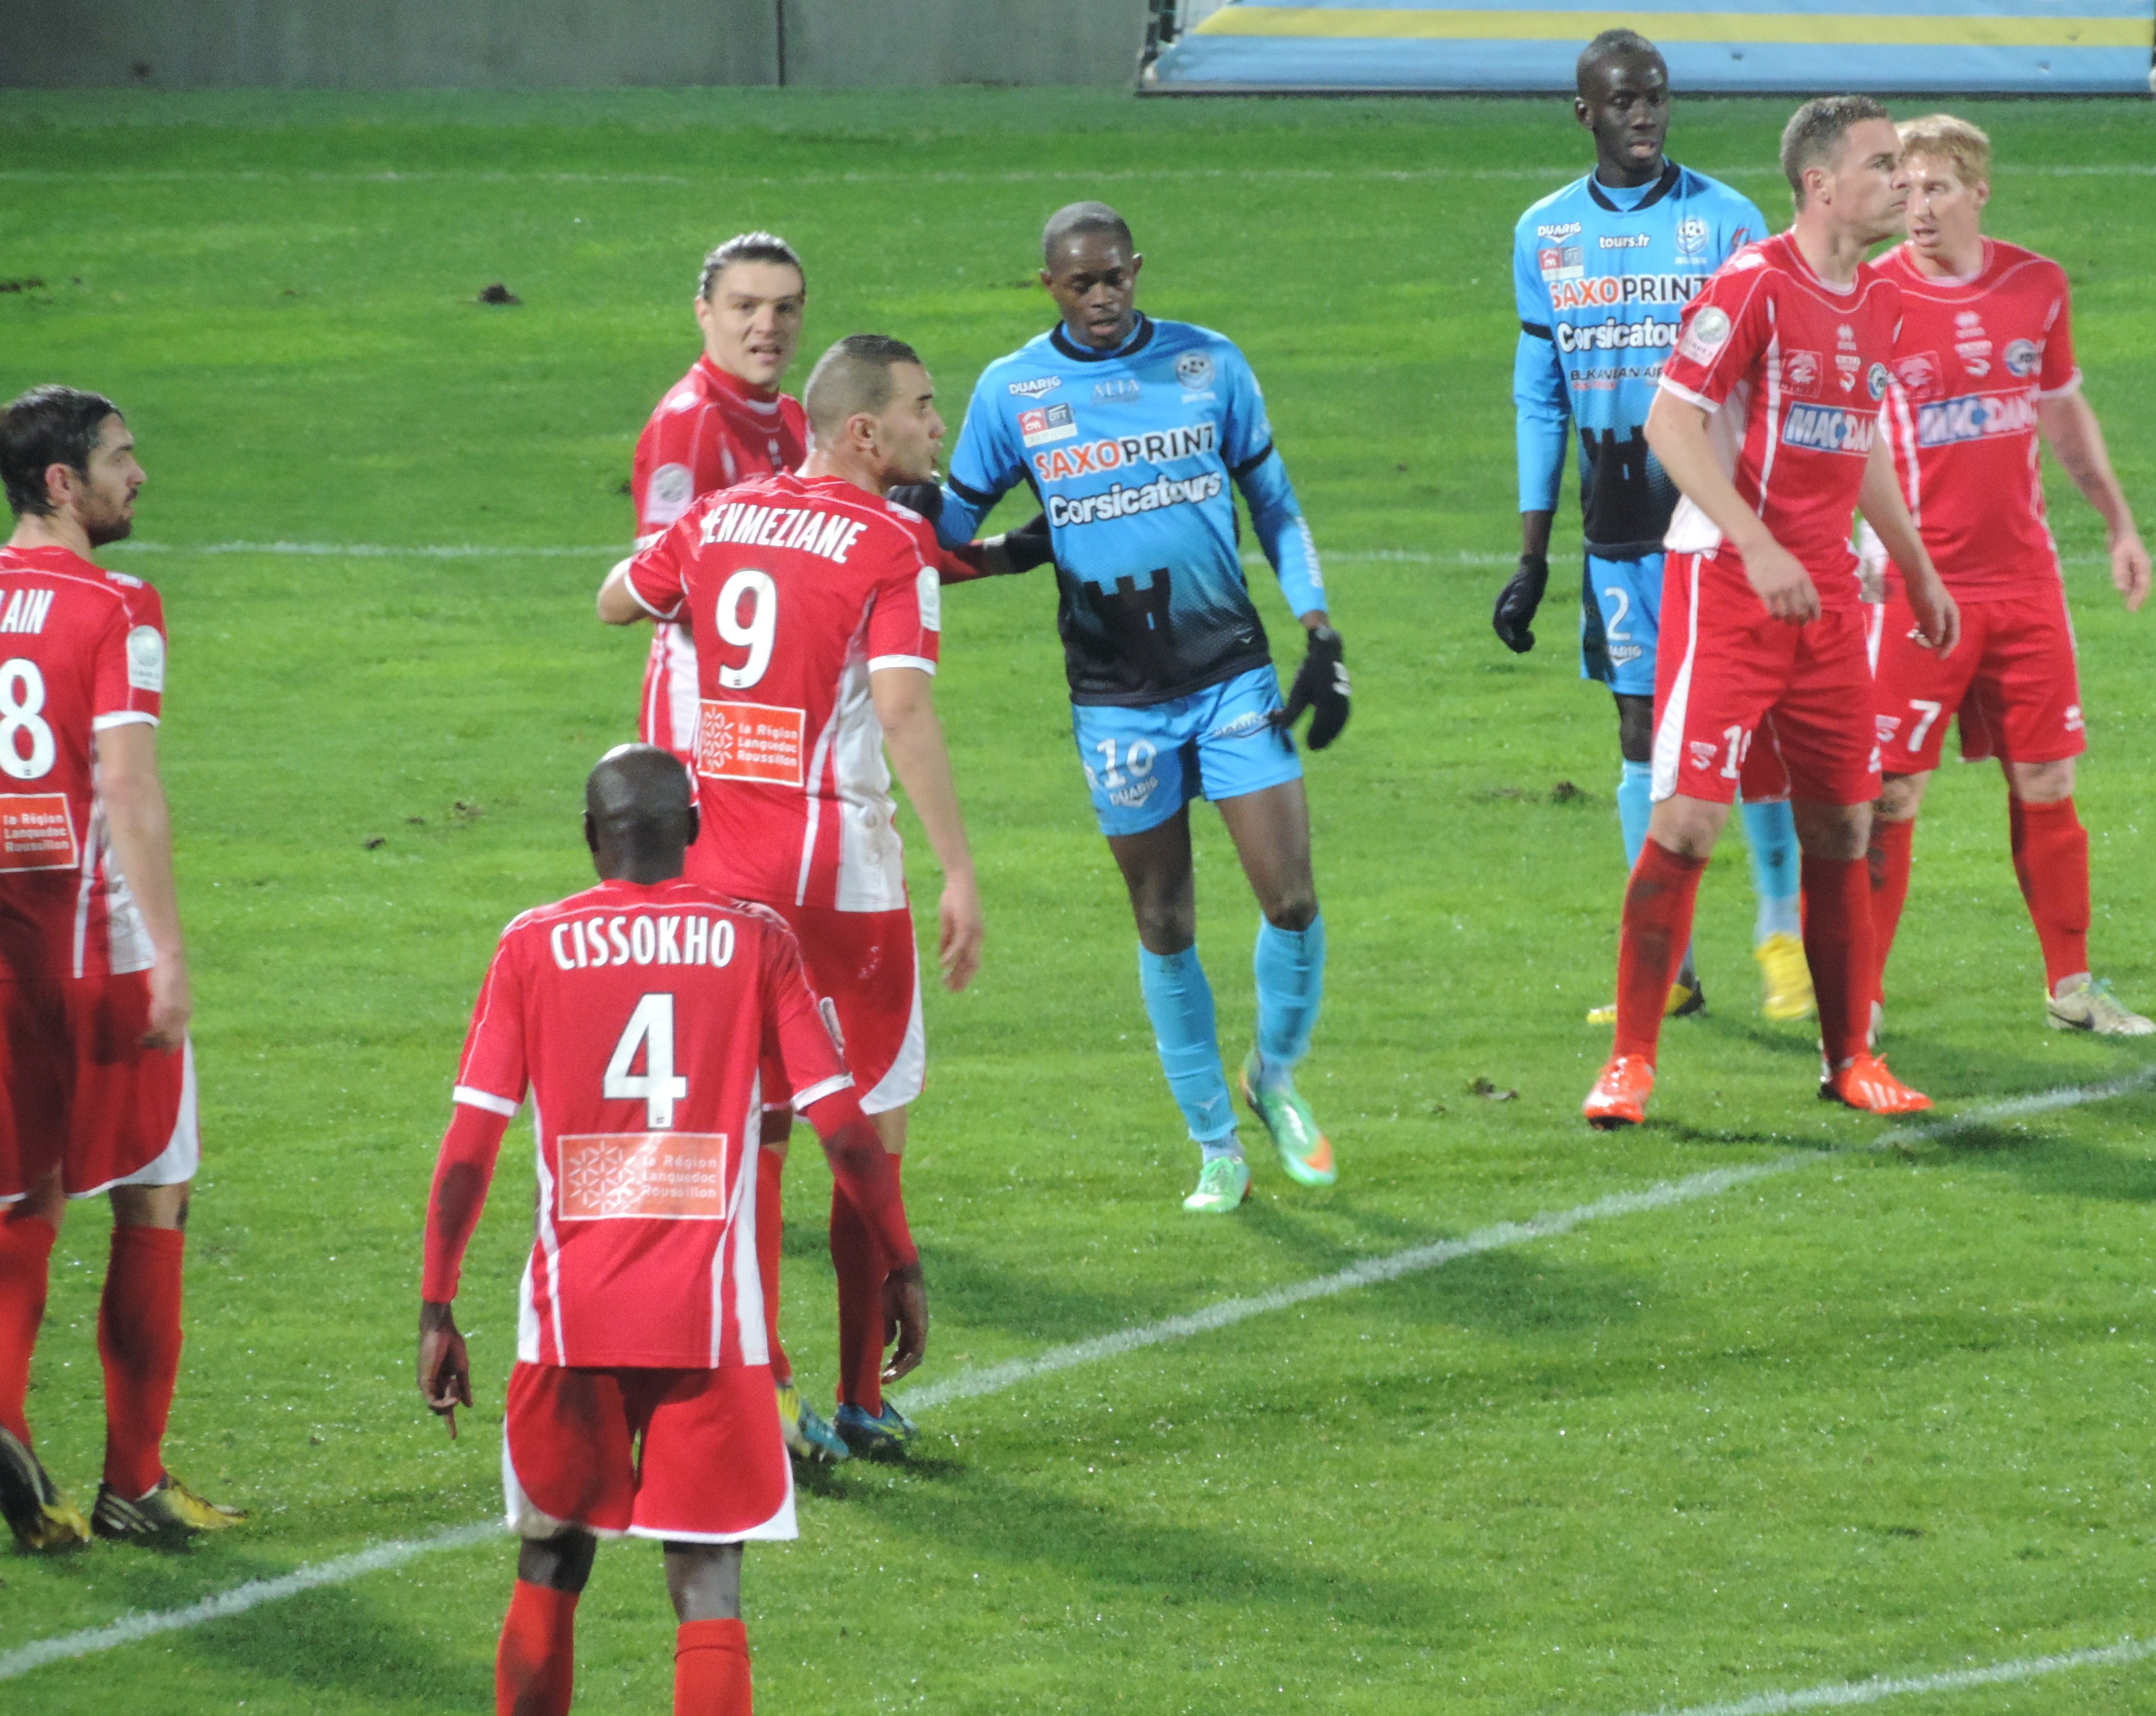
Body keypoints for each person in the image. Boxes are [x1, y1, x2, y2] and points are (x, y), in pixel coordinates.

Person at [416, 744, 926, 1716]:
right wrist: (898, 1259)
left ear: (588, 838)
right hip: (712, 1325)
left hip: (572, 1321)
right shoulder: (757, 941)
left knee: (550, 1558)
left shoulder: (531, 943)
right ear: (693, 829)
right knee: (708, 1582)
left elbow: (469, 1149)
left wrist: (439, 1304)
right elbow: (846, 1131)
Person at [923, 200, 1347, 1216]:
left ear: (1137, 269)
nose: (1104, 297)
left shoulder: (1210, 366)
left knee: (1289, 898)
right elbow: (947, 538)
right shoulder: (1013, 392)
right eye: (1083, 284)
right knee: (1164, 920)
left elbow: (1275, 505)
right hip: (1117, 702)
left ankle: (1273, 1078)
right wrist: (1011, 547)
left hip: (1230, 670)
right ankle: (1215, 1147)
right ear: (1050, 289)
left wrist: (1320, 627)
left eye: (1118, 277)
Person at [598, 334, 981, 1454]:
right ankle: (864, 1395)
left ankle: (764, 1392)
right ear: (864, 433)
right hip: (838, 883)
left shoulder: (721, 517)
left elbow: (619, 601)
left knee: (758, 1133)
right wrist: (959, 869)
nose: (935, 427)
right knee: (869, 1120)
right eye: (921, 409)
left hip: (720, 873)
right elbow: (904, 713)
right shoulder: (894, 544)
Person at [1583, 97, 1964, 1129]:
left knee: (1846, 820)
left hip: (1831, 599)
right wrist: (1754, 541)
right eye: (1883, 165)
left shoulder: (1881, 301)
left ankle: (1850, 1061)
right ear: (1819, 185)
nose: (1901, 182)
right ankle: (1629, 1061)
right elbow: (1670, 421)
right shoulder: (1753, 284)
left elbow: (1860, 441)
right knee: (1690, 820)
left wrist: (1916, 568)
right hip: (1729, 589)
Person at [1494, 28, 1811, 1025]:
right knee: (1640, 732)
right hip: (1618, 526)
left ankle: (1782, 936)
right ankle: (1665, 964)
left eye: (1658, 98)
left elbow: (1774, 379)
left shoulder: (1726, 222)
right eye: (1624, 101)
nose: (1645, 115)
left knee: (1747, 726)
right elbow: (1539, 395)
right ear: (1584, 112)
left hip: (1718, 519)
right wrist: (1532, 553)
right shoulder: (1544, 233)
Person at [0, 386, 243, 1548]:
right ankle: (133, 1482)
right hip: (100, 950)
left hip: (2, 955)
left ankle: (16, 1452)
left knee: (21, 1202)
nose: (138, 476)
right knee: (157, 1193)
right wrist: (173, 959)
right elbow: (129, 784)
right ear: (61, 482)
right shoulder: (118, 603)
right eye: (120, 458)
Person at [1862, 115, 2152, 1036]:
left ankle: (2072, 985)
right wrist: (1856, 544)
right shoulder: (1869, 297)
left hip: (2026, 584)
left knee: (2047, 778)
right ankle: (1858, 1000)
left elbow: (2064, 414)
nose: (1917, 208)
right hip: (1919, 590)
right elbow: (1835, 436)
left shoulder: (2038, 285)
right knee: (1891, 792)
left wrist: (2119, 525)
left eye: (1936, 189)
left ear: (1979, 191)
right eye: (1902, 191)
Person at [631, 233, 811, 768]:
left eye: (785, 308)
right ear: (704, 314)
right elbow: (657, 586)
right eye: (746, 307)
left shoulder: (794, 419)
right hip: (702, 714)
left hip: (773, 707)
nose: (768, 325)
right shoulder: (690, 421)